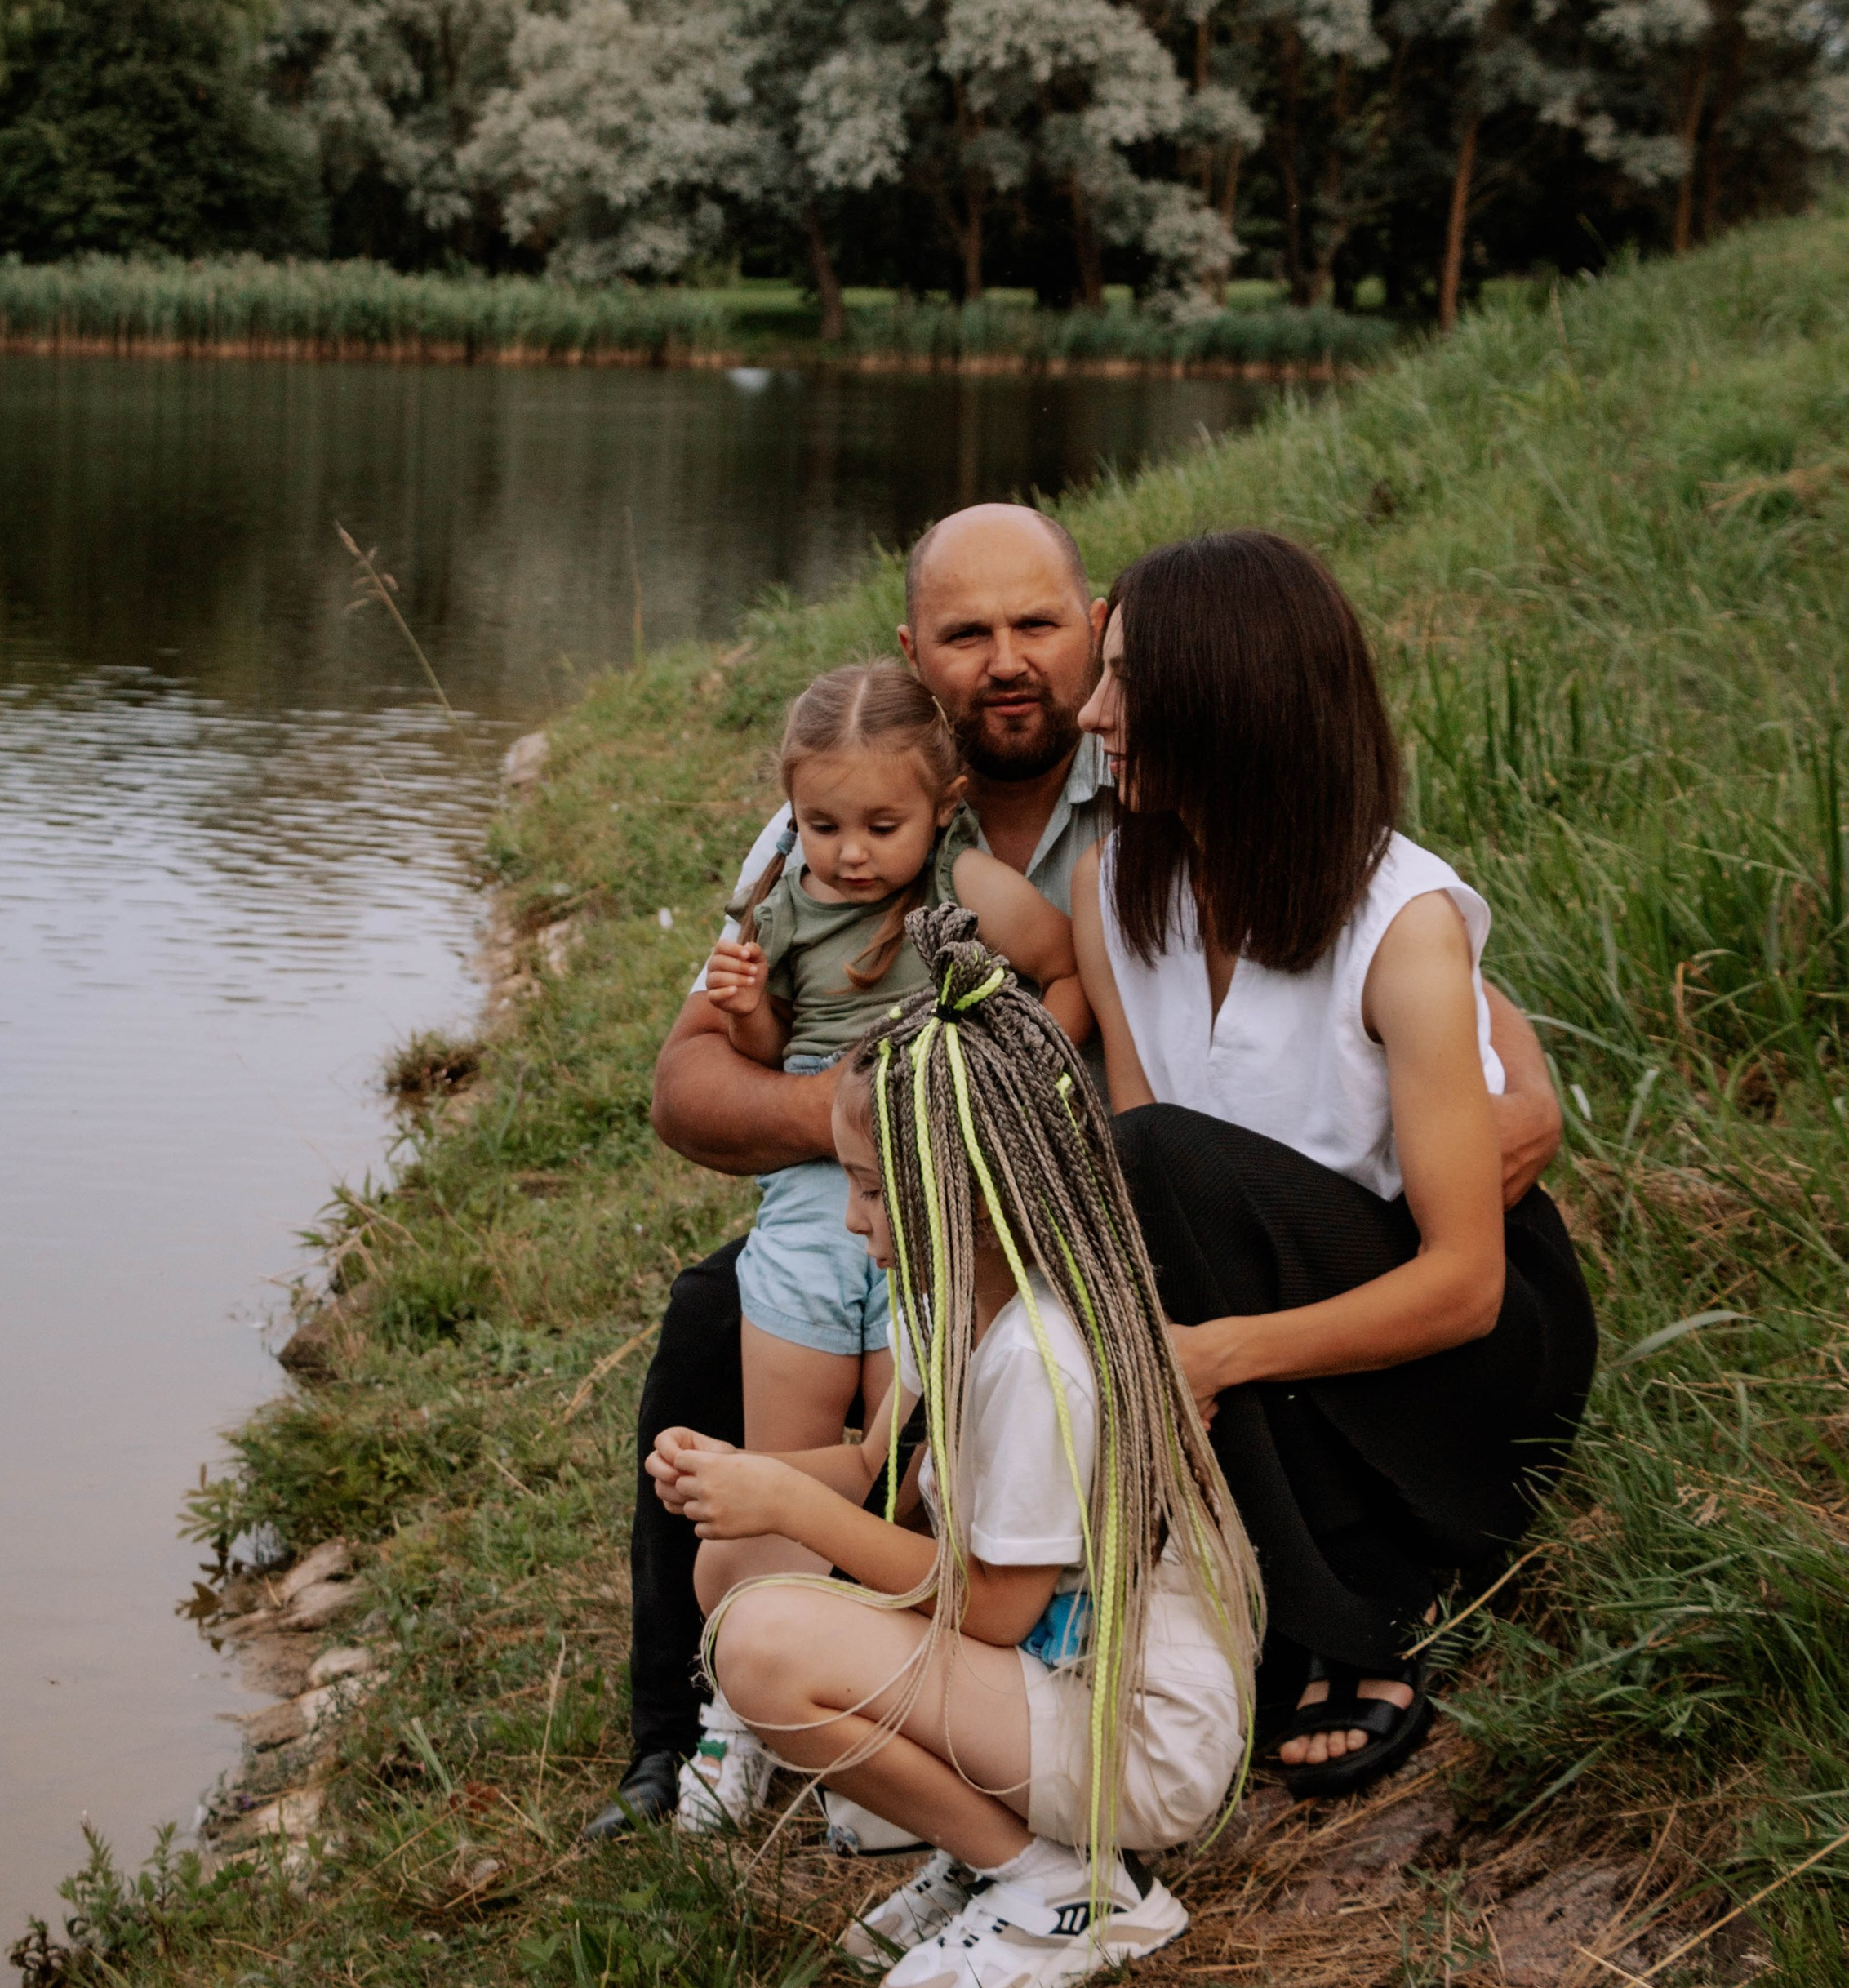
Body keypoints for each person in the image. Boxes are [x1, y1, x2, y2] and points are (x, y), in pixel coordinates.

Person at [587, 502, 1563, 1839]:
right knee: (740, 1303)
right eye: (968, 633)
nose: (1075, 697)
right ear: (914, 652)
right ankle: (697, 1713)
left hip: (1407, 1303)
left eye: (1074, 647)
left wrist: (1191, 1350)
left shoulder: (1356, 902)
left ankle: (1347, 1615)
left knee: (1145, 1188)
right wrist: (909, 1161)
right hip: (1145, 1220)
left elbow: (1459, 1204)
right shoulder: (1040, 863)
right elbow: (690, 1081)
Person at [649, 905, 1261, 1988]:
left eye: (876, 1190)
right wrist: (750, 1486)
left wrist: (789, 1500)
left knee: (764, 1645)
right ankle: (997, 1854)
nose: (854, 1220)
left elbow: (992, 1609)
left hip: (1136, 1732)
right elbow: (877, 1464)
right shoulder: (952, 1299)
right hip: (1050, 1681)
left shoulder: (1043, 1357)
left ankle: (1066, 1888)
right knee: (740, 1560)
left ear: (975, 1186)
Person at [1071, 529, 1598, 1798]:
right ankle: (1260, 1586)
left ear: (1231, 692)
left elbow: (1466, 1282)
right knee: (1153, 1180)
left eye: (1127, 680)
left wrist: (1214, 1357)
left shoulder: (1401, 923)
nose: (1095, 713)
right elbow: (1161, 1212)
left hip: (1460, 1352)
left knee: (1162, 1168)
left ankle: (1363, 1612)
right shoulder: (1113, 889)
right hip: (1271, 1316)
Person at [680, 658, 1084, 1825]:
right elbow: (762, 1047)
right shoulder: (786, 893)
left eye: (879, 824)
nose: (849, 851)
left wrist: (997, 1096)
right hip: (814, 1192)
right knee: (776, 1463)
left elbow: (1061, 971)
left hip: (925, 1191)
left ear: (944, 800)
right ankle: (740, 1714)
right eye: (822, 824)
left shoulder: (963, 889)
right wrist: (746, 995)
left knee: (900, 1471)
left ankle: (882, 1715)